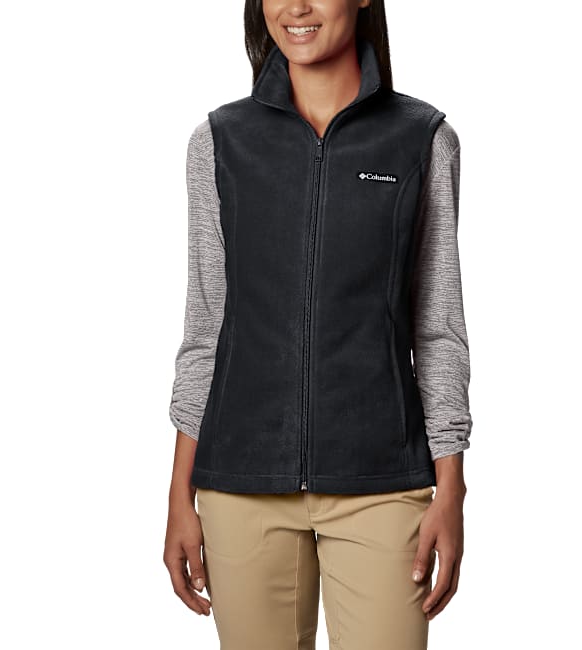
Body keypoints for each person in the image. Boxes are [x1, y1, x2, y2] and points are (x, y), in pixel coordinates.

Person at [164, 1, 472, 648]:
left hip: (383, 482)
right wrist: (179, 495)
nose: (296, 7)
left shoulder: (422, 139)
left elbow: (437, 329)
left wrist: (451, 486)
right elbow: (207, 327)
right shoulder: (220, 143)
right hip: (240, 485)